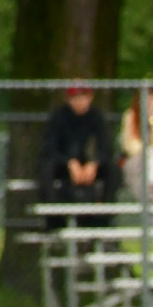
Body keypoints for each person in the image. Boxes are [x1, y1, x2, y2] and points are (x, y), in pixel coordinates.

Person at [38, 85, 120, 231]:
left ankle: (104, 215)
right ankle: (54, 218)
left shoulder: (96, 116)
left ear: (90, 98)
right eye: (75, 98)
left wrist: (94, 163)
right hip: (63, 165)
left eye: (83, 97)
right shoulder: (59, 116)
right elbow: (50, 148)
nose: (79, 101)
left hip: (88, 166)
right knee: (46, 167)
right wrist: (69, 163)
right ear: (68, 99)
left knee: (113, 170)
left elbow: (106, 147)